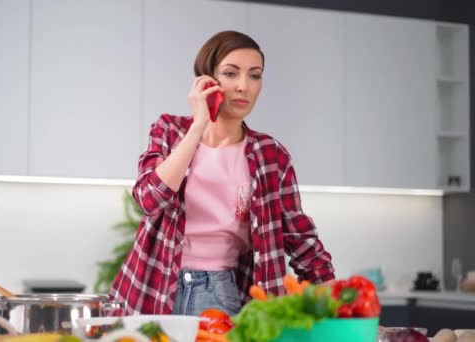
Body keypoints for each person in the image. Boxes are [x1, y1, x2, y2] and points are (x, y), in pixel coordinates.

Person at [109, 31, 335, 316]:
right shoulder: (169, 131)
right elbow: (148, 199)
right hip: (150, 289)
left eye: (255, 76)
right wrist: (199, 124)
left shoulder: (271, 155)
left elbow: (300, 237)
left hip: (221, 293)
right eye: (231, 73)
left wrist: (335, 301)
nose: (244, 86)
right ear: (207, 81)